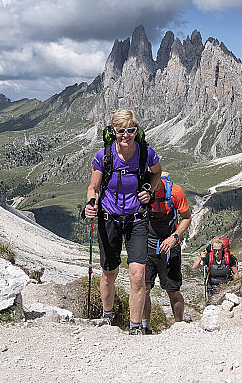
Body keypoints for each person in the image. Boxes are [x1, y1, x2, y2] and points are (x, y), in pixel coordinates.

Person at [84, 108, 162, 335]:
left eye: (131, 130)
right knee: (110, 272)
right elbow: (94, 187)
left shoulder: (146, 153)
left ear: (137, 131)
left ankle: (135, 327)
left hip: (137, 219)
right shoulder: (104, 155)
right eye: (121, 131)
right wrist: (91, 203)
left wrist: (149, 189)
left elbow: (157, 173)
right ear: (113, 131)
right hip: (109, 217)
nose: (126, 135)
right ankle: (107, 317)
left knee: (138, 275)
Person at [142, 172, 192, 332]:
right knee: (143, 288)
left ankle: (179, 326)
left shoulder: (175, 192)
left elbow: (186, 217)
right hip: (147, 245)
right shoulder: (142, 191)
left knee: (173, 290)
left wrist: (174, 237)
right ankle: (145, 327)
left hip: (169, 246)